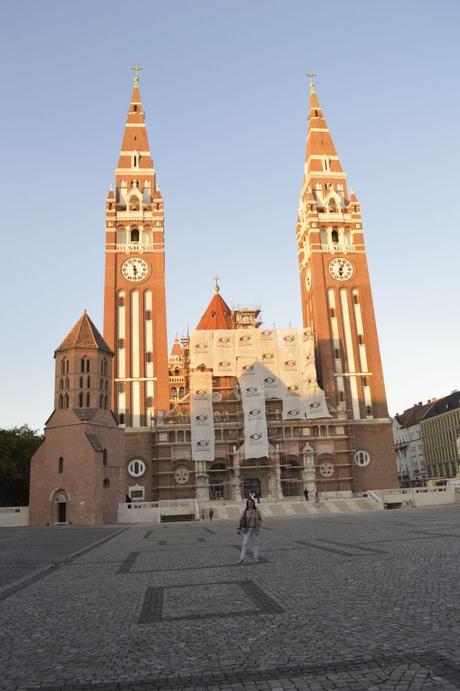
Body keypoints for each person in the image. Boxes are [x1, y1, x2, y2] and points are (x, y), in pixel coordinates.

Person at [237, 498, 262, 563]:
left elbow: (260, 519)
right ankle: (241, 558)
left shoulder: (256, 511)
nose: (250, 503)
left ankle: (256, 557)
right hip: (247, 529)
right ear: (247, 504)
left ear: (253, 503)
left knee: (256, 543)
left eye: (251, 502)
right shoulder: (245, 511)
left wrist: (258, 525)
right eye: (248, 502)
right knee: (245, 544)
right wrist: (239, 528)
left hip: (254, 529)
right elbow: (241, 519)